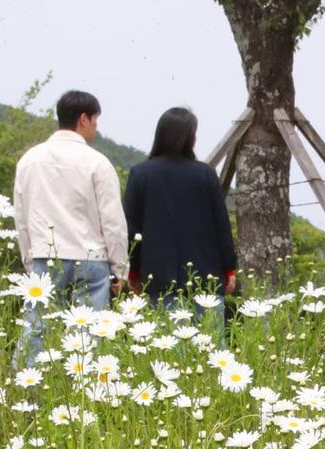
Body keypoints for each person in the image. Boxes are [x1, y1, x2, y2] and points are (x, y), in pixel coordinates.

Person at [12, 89, 128, 368]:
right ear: (83, 119)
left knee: (37, 329)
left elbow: (22, 216)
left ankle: (28, 394)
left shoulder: (30, 159)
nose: (96, 128)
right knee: (86, 334)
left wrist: (30, 260)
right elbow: (112, 221)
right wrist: (120, 269)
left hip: (45, 256)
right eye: (96, 121)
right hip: (91, 259)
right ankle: (83, 394)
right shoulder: (98, 163)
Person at [123, 107, 237, 319]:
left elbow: (133, 228)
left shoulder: (140, 174)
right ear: (190, 138)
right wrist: (229, 270)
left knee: (167, 347)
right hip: (206, 279)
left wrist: (133, 271)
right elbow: (221, 226)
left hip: (159, 278)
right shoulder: (205, 174)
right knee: (210, 346)